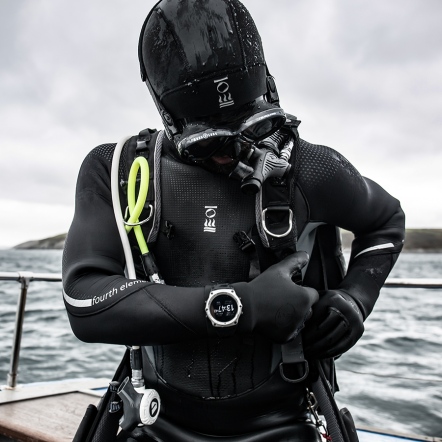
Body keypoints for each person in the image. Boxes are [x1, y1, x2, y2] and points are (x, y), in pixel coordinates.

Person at [62, 1, 405, 441]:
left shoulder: (311, 169)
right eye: (209, 142)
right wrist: (244, 305)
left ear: (269, 92)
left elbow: (387, 220)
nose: (234, 152)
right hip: (157, 418)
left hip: (283, 422)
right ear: (169, 118)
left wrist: (357, 297)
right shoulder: (118, 171)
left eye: (253, 126)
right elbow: (84, 302)